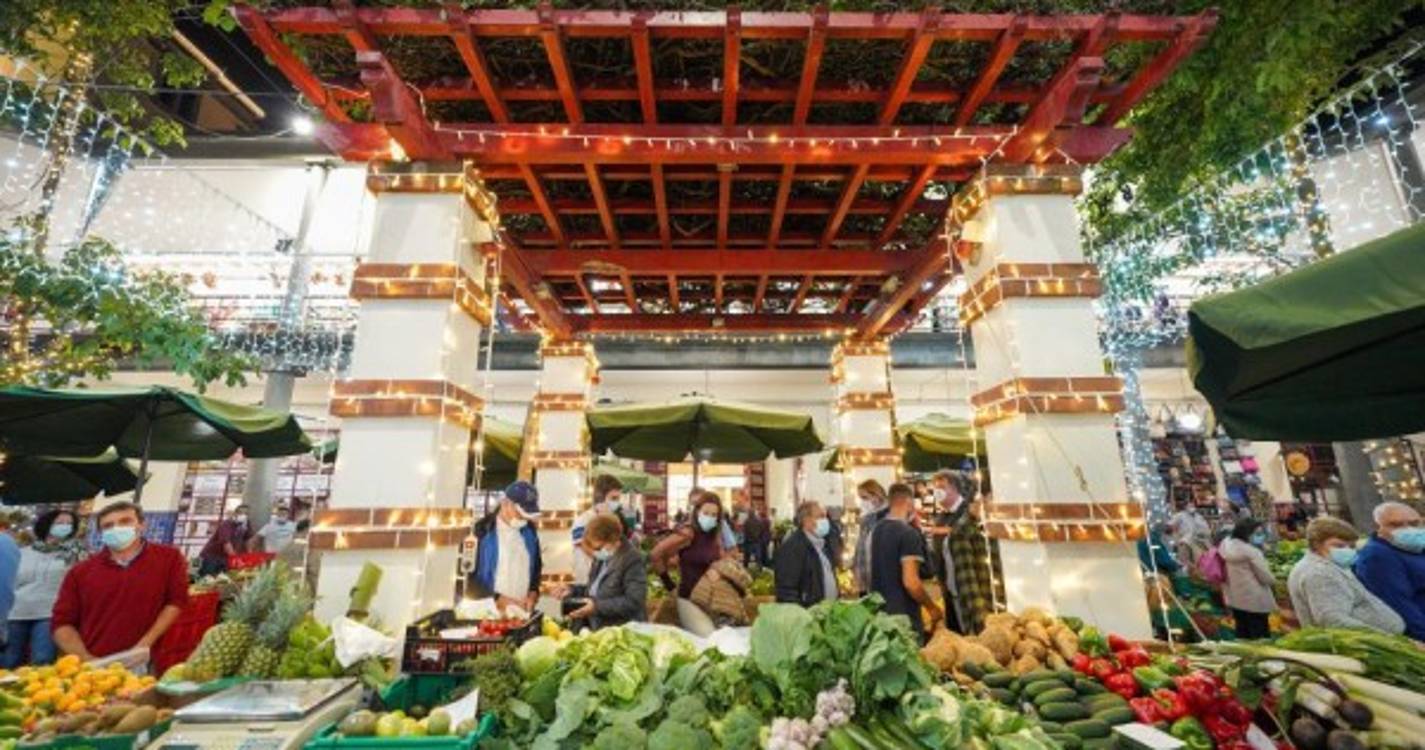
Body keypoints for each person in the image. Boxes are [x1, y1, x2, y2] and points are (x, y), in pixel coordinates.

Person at [52, 502, 188, 659]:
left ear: (142, 525)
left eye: (125, 521)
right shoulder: (80, 572)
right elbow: (62, 623)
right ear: (101, 533)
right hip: (94, 659)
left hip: (148, 657)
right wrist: (88, 659)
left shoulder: (168, 558)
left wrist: (144, 645)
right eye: (108, 525)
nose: (116, 528)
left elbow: (176, 601)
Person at [1288, 517, 1403, 634]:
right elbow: (1332, 620)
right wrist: (1386, 637)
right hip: (1360, 642)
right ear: (1317, 544)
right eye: (1339, 546)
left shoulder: (1327, 564)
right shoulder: (1319, 573)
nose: (1347, 550)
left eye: (1351, 546)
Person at [5, 511, 83, 667]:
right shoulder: (24, 552)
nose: (65, 526)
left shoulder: (76, 554)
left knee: (42, 660)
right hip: (16, 612)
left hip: (49, 613)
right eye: (59, 523)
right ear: (47, 524)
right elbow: (13, 580)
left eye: (69, 523)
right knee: (8, 660)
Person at [868, 483, 942, 639]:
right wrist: (931, 607)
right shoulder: (908, 534)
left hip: (880, 612)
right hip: (903, 616)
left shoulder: (877, 529)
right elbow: (911, 582)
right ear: (909, 502)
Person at [650, 491, 729, 635]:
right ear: (697, 511)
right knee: (708, 636)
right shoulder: (688, 533)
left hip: (712, 600)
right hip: (689, 599)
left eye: (714, 515)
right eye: (706, 513)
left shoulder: (714, 535)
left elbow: (722, 560)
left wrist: (719, 570)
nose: (710, 518)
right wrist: (669, 585)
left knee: (723, 637)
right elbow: (656, 554)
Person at [935, 473, 998, 634]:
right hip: (985, 621)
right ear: (981, 498)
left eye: (942, 487)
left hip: (998, 613)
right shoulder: (963, 531)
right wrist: (983, 628)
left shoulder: (990, 526)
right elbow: (968, 587)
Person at [468, 481, 543, 613]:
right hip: (486, 612)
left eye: (527, 514)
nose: (524, 518)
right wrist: (498, 599)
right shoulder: (481, 530)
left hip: (520, 613)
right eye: (520, 513)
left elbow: (536, 567)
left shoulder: (530, 531)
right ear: (505, 504)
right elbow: (469, 579)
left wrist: (533, 593)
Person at [1354, 502, 1425, 640]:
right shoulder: (1377, 557)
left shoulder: (1416, 548)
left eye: (1414, 524)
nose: (1408, 529)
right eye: (1396, 525)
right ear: (1378, 528)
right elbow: (1399, 605)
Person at [565, 513, 646, 630]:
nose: (595, 552)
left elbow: (634, 602)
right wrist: (572, 589)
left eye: (598, 547)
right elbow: (595, 590)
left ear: (612, 539)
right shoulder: (601, 558)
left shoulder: (632, 559)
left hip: (622, 631)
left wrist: (596, 607)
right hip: (600, 628)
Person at [1219, 518, 1276, 639]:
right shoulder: (1252, 552)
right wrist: (1273, 579)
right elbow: (1266, 577)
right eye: (1257, 533)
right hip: (1255, 600)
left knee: (1242, 632)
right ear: (1247, 534)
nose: (1260, 537)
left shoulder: (1226, 545)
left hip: (1235, 597)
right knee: (1260, 636)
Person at [773, 501, 838, 607]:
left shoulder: (822, 545)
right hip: (808, 613)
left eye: (825, 517)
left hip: (825, 611)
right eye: (820, 516)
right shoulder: (793, 547)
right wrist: (801, 614)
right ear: (806, 520)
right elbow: (786, 590)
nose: (825, 521)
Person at [572, 475, 626, 585]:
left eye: (618, 499)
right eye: (613, 498)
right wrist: (599, 555)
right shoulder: (584, 519)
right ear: (601, 498)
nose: (617, 503)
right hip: (586, 579)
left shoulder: (613, 519)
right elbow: (581, 544)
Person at [852, 479, 889, 594]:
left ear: (876, 495)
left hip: (881, 578)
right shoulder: (867, 518)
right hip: (865, 576)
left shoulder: (887, 517)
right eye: (860, 498)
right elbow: (861, 548)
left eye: (864, 497)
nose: (862, 502)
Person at [197, 503, 253, 577]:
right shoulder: (227, 524)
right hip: (211, 557)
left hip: (225, 558)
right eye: (241, 513)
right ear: (235, 514)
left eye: (246, 514)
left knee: (222, 579)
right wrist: (235, 559)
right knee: (207, 579)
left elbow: (248, 540)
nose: (243, 515)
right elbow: (226, 544)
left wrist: (250, 556)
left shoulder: (246, 524)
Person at [1169, 500, 1212, 567]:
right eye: (1190, 506)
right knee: (1185, 558)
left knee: (1201, 559)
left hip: (1200, 540)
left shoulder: (1198, 516)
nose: (1192, 507)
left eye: (1193, 506)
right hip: (1186, 541)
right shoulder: (1180, 515)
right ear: (1185, 507)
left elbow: (1206, 528)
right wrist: (1176, 535)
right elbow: (1170, 525)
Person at [824, 505, 845, 570]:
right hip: (830, 562)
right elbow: (836, 546)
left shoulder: (832, 527)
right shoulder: (832, 527)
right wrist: (840, 562)